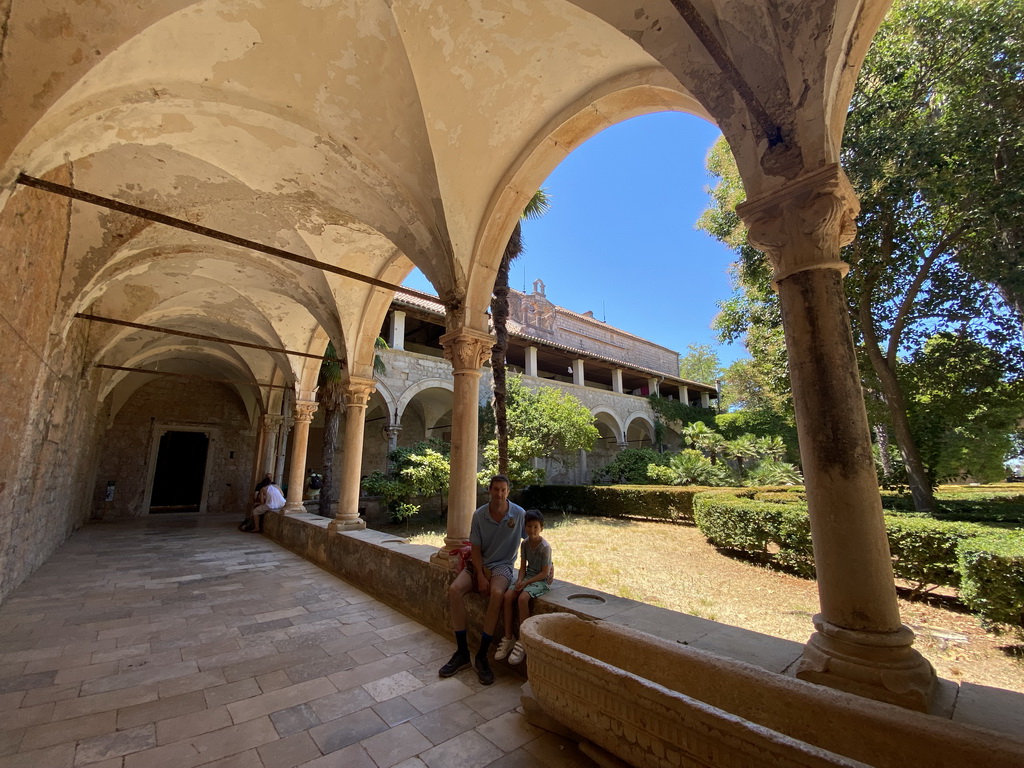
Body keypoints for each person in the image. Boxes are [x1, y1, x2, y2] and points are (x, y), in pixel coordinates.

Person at [439, 474, 524, 685]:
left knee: (497, 594)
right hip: (479, 563)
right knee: (455, 590)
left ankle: (482, 656)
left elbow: (533, 538)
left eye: (503, 490)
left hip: (503, 566)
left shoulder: (518, 514)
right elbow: (475, 548)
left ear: (508, 492)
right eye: (496, 489)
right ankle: (462, 653)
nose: (499, 494)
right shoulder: (479, 515)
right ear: (490, 491)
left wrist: (546, 565)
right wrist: (479, 573)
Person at [495, 509, 552, 665]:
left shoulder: (544, 547)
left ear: (541, 528)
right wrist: (520, 579)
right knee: (507, 596)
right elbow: (522, 567)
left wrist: (526, 583)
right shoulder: (525, 544)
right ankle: (508, 637)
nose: (532, 530)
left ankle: (523, 639)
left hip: (540, 579)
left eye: (535, 527)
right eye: (528, 526)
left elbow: (545, 573)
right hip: (527, 577)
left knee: (522, 598)